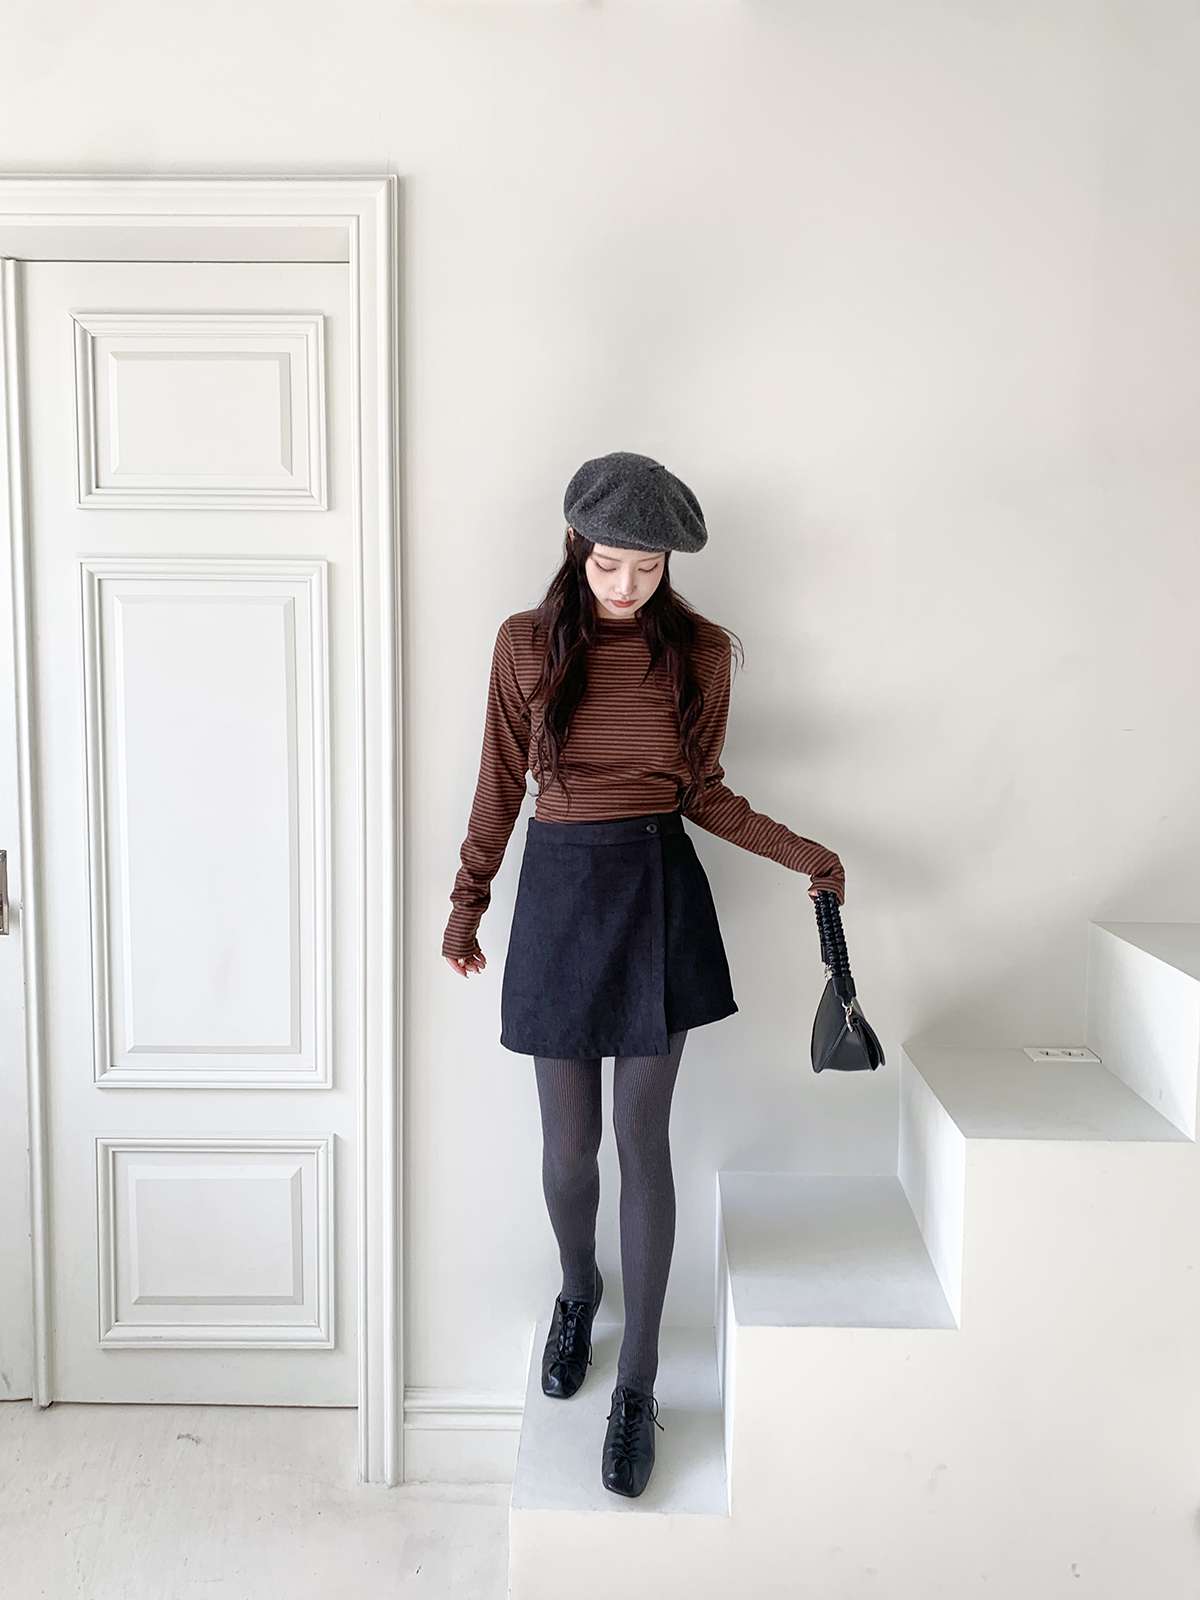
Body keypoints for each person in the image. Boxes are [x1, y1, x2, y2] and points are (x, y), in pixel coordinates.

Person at [442, 450, 845, 1498]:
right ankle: (579, 1290)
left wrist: (805, 852)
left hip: (657, 894)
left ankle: (639, 1384)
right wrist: (467, 901)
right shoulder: (524, 643)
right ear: (577, 546)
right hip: (559, 897)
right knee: (568, 1148)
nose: (627, 586)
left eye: (649, 568)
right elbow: (499, 782)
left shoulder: (700, 652)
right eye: (609, 564)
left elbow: (703, 791)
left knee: (641, 1140)